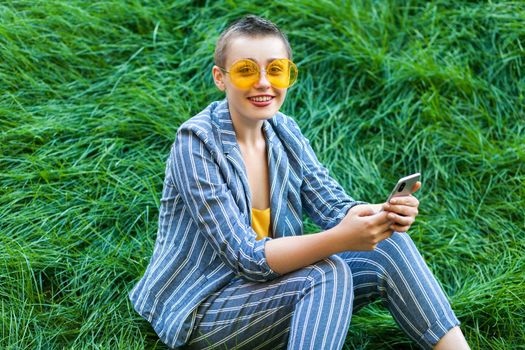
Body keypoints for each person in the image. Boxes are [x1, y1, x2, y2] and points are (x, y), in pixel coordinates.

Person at [129, 15, 470, 350]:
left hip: (272, 288)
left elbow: (334, 206)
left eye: (276, 70)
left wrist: (381, 216)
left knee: (390, 243)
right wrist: (341, 237)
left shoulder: (284, 130)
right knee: (326, 273)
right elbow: (246, 257)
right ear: (221, 77)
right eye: (247, 70)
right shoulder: (196, 143)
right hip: (204, 305)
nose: (264, 82)